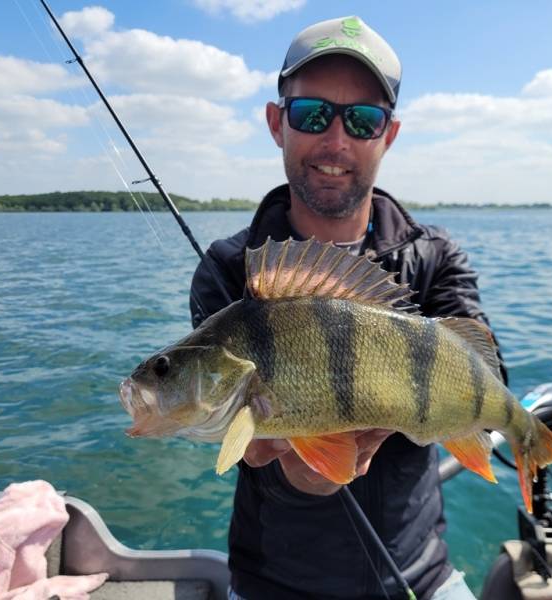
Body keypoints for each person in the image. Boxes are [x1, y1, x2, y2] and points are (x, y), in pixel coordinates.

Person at [189, 15, 507, 600]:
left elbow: (488, 390)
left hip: (421, 575)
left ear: (389, 135)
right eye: (312, 114)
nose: (336, 142)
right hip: (273, 583)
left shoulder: (433, 257)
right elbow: (245, 446)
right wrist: (298, 477)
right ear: (275, 122)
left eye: (363, 119)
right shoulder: (229, 270)